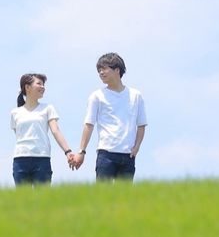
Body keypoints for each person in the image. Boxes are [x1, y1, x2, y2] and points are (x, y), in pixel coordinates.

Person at [71, 53, 147, 182]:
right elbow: (89, 124)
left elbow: (141, 124)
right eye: (99, 70)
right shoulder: (97, 96)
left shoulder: (135, 95)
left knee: (124, 194)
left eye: (104, 69)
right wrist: (81, 152)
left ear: (117, 70)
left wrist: (137, 147)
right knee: (103, 193)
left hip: (128, 155)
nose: (101, 73)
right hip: (106, 154)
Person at [10, 73, 76, 186]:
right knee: (22, 196)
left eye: (43, 84)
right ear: (27, 87)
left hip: (42, 158)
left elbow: (55, 131)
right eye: (39, 84)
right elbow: (18, 135)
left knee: (42, 196)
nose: (43, 87)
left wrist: (68, 151)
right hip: (20, 159)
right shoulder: (15, 113)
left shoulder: (47, 108)